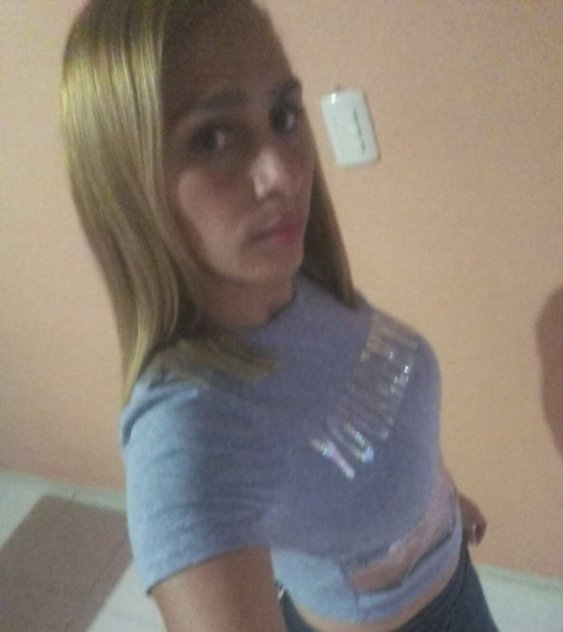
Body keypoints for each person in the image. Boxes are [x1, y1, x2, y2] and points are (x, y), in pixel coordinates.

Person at [61, 1, 498, 630]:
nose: (284, 173)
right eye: (212, 138)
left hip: (453, 575)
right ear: (125, 182)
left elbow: (365, 424)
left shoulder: (296, 281)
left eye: (283, 117)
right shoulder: (188, 429)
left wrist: (438, 497)